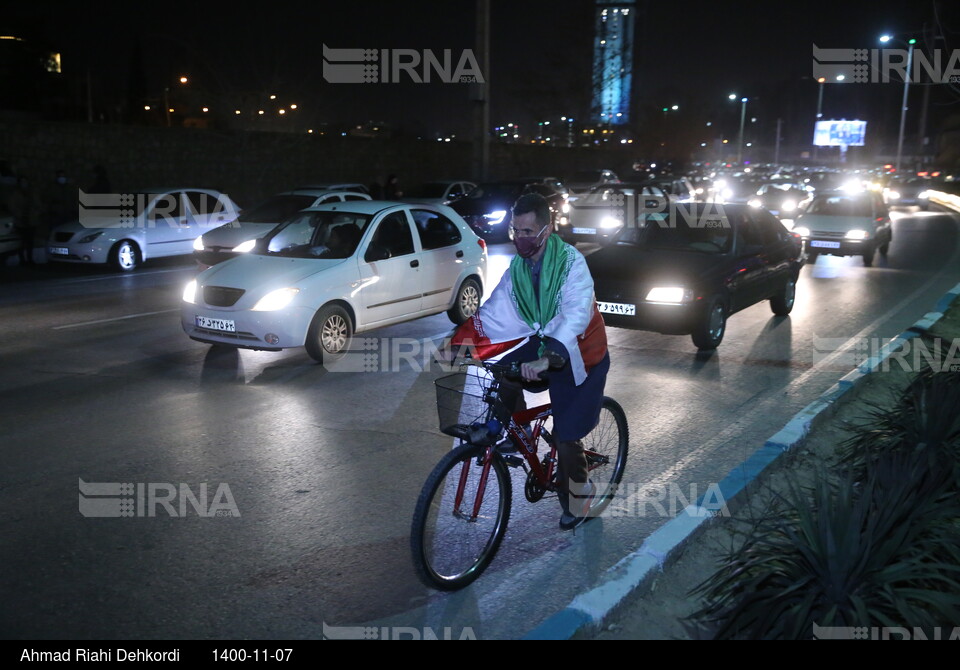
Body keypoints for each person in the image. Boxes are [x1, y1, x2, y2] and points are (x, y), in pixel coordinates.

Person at [444, 193, 610, 531]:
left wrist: (550, 357)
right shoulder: (518, 267)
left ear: (546, 231)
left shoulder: (571, 263)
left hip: (579, 353)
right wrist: (458, 345)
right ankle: (521, 436)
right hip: (542, 343)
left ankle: (580, 502)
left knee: (566, 436)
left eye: (527, 232)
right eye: (515, 231)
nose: (520, 239)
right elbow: (495, 312)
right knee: (504, 375)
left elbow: (575, 314)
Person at [9, 175, 39, 265]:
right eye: (22, 181)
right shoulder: (16, 193)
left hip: (31, 220)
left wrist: (35, 213)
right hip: (21, 221)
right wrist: (19, 214)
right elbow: (12, 206)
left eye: (25, 181)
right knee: (21, 242)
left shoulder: (32, 193)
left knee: (30, 242)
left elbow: (38, 205)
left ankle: (30, 259)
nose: (24, 183)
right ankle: (22, 260)